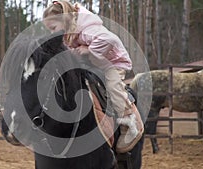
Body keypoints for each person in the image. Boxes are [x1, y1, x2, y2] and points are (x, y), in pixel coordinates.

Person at [43, 0, 144, 153]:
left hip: (112, 64)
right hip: (94, 65)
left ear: (64, 20)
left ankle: (130, 122)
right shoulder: (69, 33)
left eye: (53, 28)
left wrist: (89, 50)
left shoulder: (87, 29)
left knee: (113, 87)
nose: (52, 32)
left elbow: (110, 39)